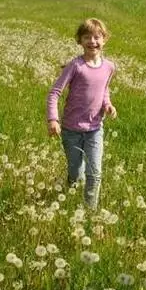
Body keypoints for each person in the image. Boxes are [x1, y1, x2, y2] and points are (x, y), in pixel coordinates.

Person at [46, 18, 117, 209]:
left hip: (95, 129)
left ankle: (89, 211)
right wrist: (53, 119)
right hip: (71, 130)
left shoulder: (109, 67)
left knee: (95, 173)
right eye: (87, 37)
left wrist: (108, 104)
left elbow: (104, 89)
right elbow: (54, 93)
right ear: (79, 40)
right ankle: (70, 191)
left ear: (105, 39)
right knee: (76, 173)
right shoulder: (76, 66)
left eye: (97, 37)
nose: (92, 41)